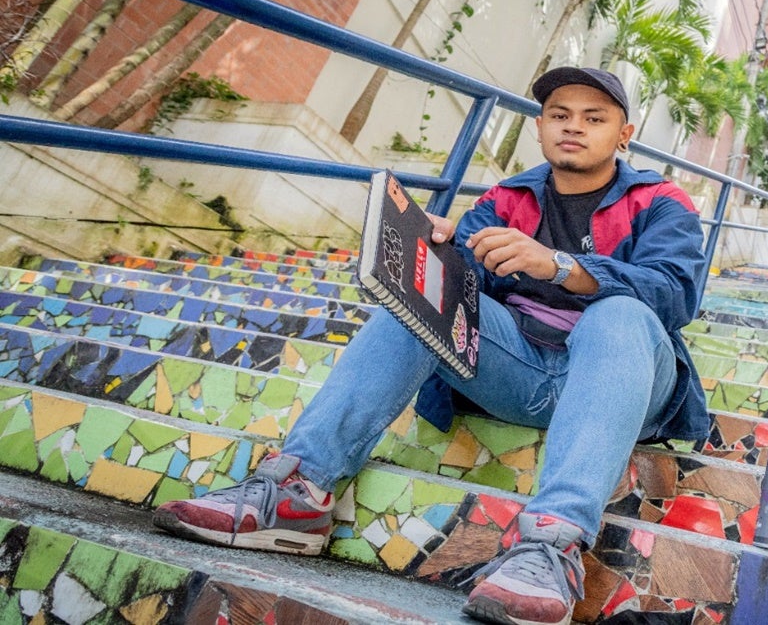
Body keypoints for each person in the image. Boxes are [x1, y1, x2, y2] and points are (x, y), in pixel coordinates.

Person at [153, 67, 710, 625]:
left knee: (618, 315)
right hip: (521, 373)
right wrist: (441, 249)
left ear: (623, 134)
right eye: (560, 115)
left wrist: (562, 266)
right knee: (418, 298)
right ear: (540, 127)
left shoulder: (661, 201)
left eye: (594, 118)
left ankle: (550, 546)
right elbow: (466, 278)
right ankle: (298, 492)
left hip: (623, 382)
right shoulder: (507, 198)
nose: (574, 128)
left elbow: (676, 292)